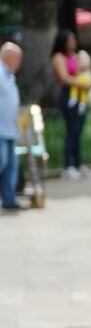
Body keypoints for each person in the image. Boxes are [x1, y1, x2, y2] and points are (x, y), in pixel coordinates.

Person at [50, 29, 91, 180]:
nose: (73, 42)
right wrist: (82, 84)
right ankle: (68, 165)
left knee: (78, 132)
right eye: (70, 40)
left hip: (81, 97)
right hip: (69, 96)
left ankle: (78, 163)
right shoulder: (59, 57)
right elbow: (64, 77)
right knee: (71, 132)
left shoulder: (76, 56)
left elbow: (85, 69)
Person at [0, 43, 21, 212]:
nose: (19, 62)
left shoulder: (9, 75)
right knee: (2, 162)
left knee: (11, 166)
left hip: (10, 129)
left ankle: (9, 200)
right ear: (8, 57)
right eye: (17, 58)